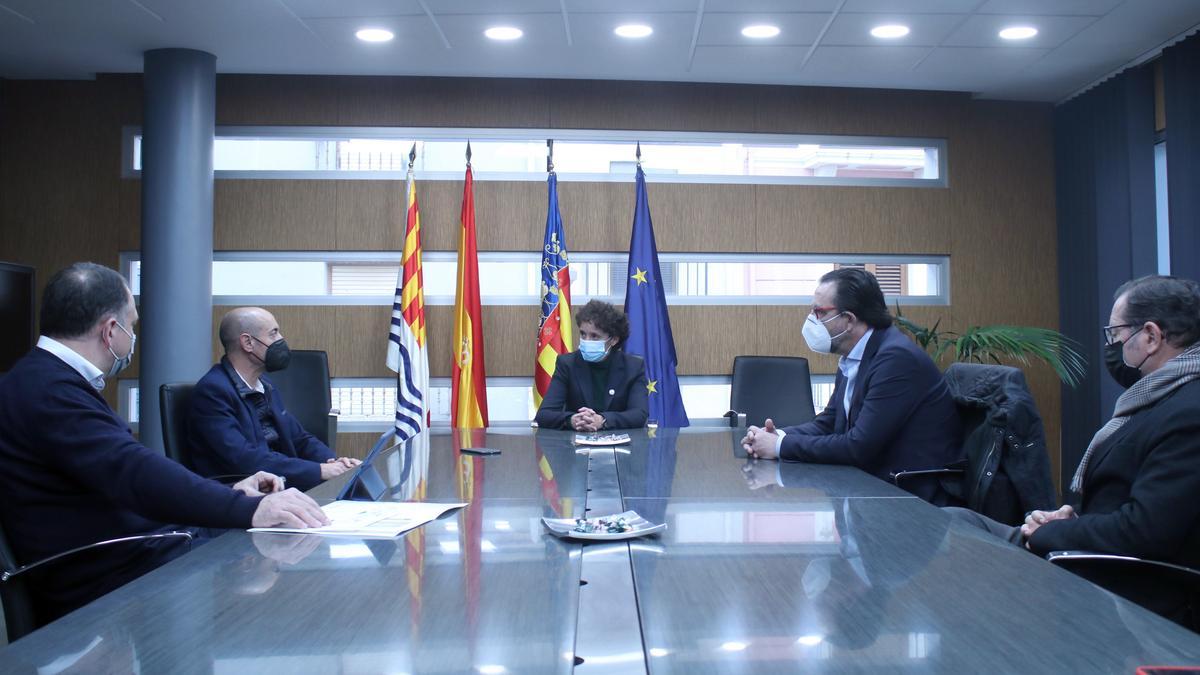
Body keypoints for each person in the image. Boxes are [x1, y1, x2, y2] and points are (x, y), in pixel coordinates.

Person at [0, 263, 328, 625]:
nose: (132, 338)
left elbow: (123, 475)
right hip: (110, 575)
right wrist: (249, 508)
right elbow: (135, 472)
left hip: (137, 548)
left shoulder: (44, 380)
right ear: (111, 330)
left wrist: (231, 491)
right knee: (278, 583)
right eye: (133, 325)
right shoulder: (49, 391)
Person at [948, 275, 1200, 625]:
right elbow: (1135, 499)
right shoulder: (1160, 396)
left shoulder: (1188, 413)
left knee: (954, 533)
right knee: (956, 522)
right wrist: (1072, 517)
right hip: (1092, 549)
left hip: (1125, 585)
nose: (1111, 345)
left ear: (1152, 336)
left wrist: (1049, 534)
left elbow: (1145, 531)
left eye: (1115, 335)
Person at [740, 268, 962, 503]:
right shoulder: (854, 356)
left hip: (909, 498)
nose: (812, 320)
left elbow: (858, 445)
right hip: (870, 488)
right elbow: (829, 423)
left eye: (819, 312)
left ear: (848, 320)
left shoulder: (896, 359)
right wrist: (774, 436)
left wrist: (779, 446)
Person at [188, 307, 360, 491]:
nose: (281, 340)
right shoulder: (213, 392)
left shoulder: (264, 385)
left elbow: (300, 438)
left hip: (282, 484)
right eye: (274, 334)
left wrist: (334, 463)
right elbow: (245, 459)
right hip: (246, 495)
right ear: (247, 342)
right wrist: (319, 471)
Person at [534, 299, 649, 431]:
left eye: (595, 336)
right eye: (583, 334)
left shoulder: (633, 366)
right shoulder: (567, 364)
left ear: (614, 339)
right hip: (576, 445)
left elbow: (639, 415)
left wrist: (603, 420)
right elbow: (544, 415)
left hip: (620, 444)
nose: (586, 340)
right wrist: (572, 420)